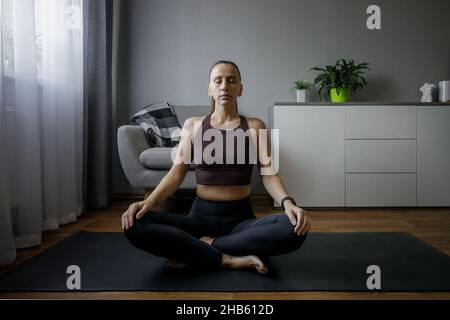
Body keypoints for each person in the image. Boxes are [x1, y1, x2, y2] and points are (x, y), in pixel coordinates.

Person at [122, 60, 311, 274]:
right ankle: (227, 259)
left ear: (240, 89)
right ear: (210, 89)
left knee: (293, 227)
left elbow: (269, 175)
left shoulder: (255, 126)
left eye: (231, 81)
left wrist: (288, 203)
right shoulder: (192, 125)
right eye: (218, 81)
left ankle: (205, 248)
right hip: (199, 219)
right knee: (135, 224)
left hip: (241, 221)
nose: (224, 86)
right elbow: (176, 175)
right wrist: (148, 203)